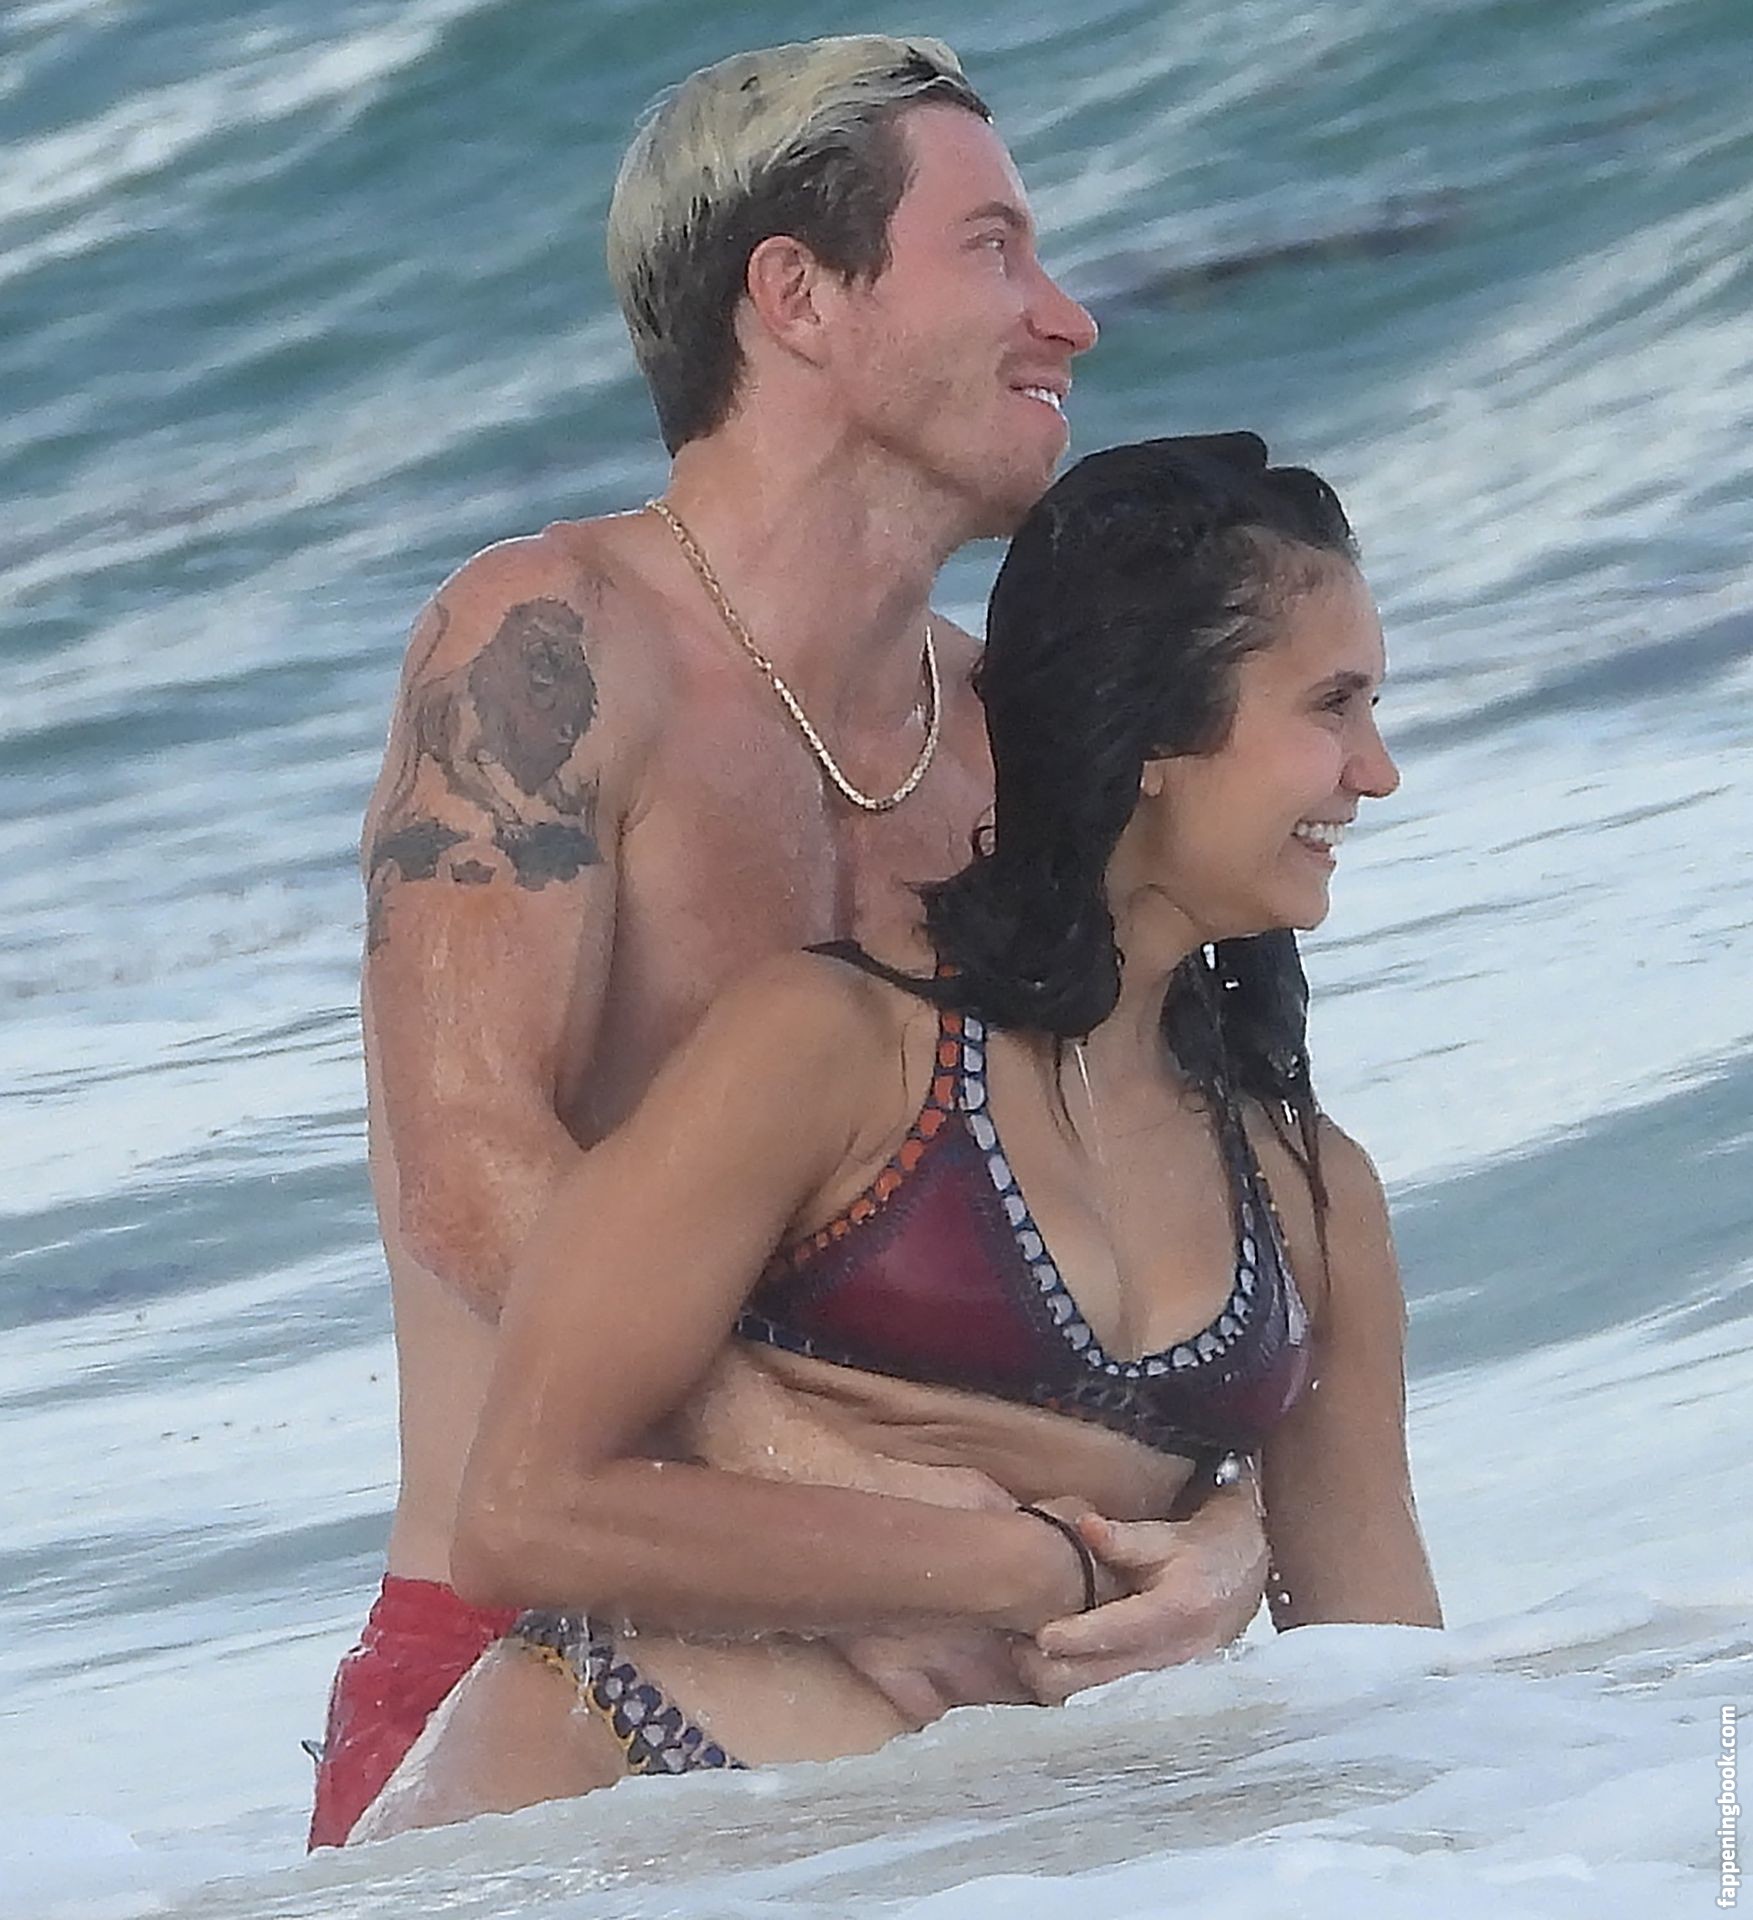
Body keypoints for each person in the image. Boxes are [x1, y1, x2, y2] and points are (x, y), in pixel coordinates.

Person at [310, 37, 1266, 1850]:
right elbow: (466, 1160)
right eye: (992, 248)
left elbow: (1171, 1243)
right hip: (540, 1698)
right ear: (798, 295)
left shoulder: (1005, 753)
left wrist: (1227, 1533)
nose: (1067, 318)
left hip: (954, 1714)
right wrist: (844, 1516)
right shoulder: (548, 645)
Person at [352, 434, 1442, 1839]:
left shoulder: (1308, 1189)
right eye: (1332, 706)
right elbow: (524, 1512)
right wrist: (1018, 1573)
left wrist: (1235, 1541)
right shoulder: (831, 1047)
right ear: (1154, 737)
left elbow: (1390, 1697)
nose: (1375, 772)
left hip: (963, 1863)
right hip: (593, 1834)